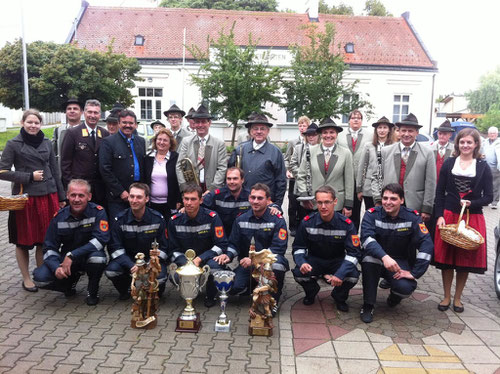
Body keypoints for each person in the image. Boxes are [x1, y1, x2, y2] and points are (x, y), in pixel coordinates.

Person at [0, 109, 66, 292]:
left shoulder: (46, 142)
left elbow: (55, 170)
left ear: (40, 124)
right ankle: (26, 278)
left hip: (48, 195)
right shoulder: (13, 143)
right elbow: (2, 171)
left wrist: (62, 197)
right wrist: (28, 176)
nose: (33, 125)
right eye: (29, 122)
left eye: (36, 123)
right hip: (26, 200)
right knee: (23, 240)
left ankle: (41, 274)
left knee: (44, 240)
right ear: (23, 123)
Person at [434, 128, 493, 313]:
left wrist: (471, 202)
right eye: (462, 142)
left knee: (464, 259)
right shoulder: (449, 163)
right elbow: (439, 192)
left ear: (476, 144)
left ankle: (458, 298)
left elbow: (489, 197)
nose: (465, 145)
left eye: (469, 142)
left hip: (472, 217)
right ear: (457, 144)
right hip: (450, 214)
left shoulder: (483, 166)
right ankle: (446, 296)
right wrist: (440, 215)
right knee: (447, 259)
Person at [359, 183, 433, 323]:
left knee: (405, 288)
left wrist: (415, 273)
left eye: (393, 199)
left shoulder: (412, 217)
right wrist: (384, 257)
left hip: (400, 261)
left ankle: (395, 296)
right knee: (368, 260)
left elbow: (427, 244)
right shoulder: (371, 215)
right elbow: (367, 240)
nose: (388, 202)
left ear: (402, 200)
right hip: (377, 258)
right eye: (385, 198)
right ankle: (368, 305)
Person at [33, 179, 109, 305]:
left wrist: (72, 255)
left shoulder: (98, 212)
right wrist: (55, 267)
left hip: (88, 256)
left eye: (81, 195)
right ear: (67, 195)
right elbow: (49, 247)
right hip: (67, 262)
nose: (76, 199)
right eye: (73, 195)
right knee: (41, 278)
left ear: (89, 197)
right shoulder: (59, 217)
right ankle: (69, 283)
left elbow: (101, 240)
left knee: (98, 259)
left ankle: (92, 290)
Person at [292, 186, 361, 311]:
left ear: (335, 202)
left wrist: (340, 273)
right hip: (315, 260)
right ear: (315, 203)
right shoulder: (307, 222)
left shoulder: (346, 225)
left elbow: (354, 253)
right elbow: (298, 247)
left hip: (337, 260)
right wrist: (302, 262)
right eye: (319, 202)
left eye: (327, 202)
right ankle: (312, 292)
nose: (323, 206)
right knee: (298, 273)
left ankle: (339, 296)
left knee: (352, 275)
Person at [226, 183, 289, 314]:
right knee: (233, 289)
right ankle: (256, 286)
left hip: (271, 263)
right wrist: (228, 256)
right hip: (247, 264)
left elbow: (278, 248)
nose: (255, 201)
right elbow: (233, 243)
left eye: (260, 198)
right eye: (252, 197)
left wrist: (255, 260)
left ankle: (273, 301)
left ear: (268, 200)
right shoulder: (241, 219)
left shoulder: (277, 220)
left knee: (278, 267)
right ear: (249, 198)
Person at [167, 183, 229, 307]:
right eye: (186, 199)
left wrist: (201, 258)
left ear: (201, 200)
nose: (189, 203)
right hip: (186, 261)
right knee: (174, 275)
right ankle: (190, 293)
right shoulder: (174, 221)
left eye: (193, 199)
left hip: (207, 259)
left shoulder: (212, 218)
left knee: (215, 267)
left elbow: (221, 244)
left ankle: (210, 296)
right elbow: (172, 249)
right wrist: (186, 263)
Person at [105, 183, 169, 299]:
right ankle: (127, 289)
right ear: (128, 197)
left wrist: (149, 264)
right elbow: (115, 248)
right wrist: (131, 265)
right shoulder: (119, 219)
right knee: (111, 271)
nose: (134, 200)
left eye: (139, 197)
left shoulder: (157, 219)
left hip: (150, 260)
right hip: (128, 260)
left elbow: (164, 248)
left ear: (147, 199)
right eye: (132, 196)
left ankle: (155, 291)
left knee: (161, 278)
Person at [372, 113, 436, 222]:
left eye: (410, 131)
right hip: (389, 204)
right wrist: (378, 199)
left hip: (415, 205)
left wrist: (427, 208)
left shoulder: (427, 153)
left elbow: (431, 182)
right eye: (403, 130)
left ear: (417, 132)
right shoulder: (385, 151)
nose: (406, 134)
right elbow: (376, 177)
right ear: (398, 131)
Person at [296, 117, 354, 217]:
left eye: (332, 132)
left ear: (336, 134)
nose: (328, 135)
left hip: (336, 204)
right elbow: (301, 176)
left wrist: (348, 204)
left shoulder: (346, 153)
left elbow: (349, 180)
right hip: (314, 203)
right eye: (325, 132)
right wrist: (304, 195)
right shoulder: (310, 151)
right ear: (320, 134)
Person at [228, 112, 287, 207]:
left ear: (268, 131)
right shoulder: (240, 150)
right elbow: (230, 175)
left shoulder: (275, 152)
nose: (259, 131)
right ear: (250, 131)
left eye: (262, 129)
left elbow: (281, 180)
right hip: (242, 201)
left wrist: (277, 204)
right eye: (255, 128)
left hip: (266, 203)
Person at [60, 99, 110, 206]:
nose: (92, 115)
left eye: (96, 112)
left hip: (99, 189)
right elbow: (65, 163)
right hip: (79, 190)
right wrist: (71, 186)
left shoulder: (105, 133)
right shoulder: (72, 133)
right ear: (84, 113)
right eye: (90, 112)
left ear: (100, 115)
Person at [99, 109, 146, 220]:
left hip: (138, 195)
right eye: (124, 122)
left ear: (135, 125)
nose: (127, 125)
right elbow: (105, 170)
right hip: (118, 197)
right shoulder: (108, 142)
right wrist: (121, 192)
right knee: (118, 228)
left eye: (131, 123)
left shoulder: (141, 141)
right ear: (119, 124)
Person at [176, 104, 227, 194]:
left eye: (203, 122)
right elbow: (179, 166)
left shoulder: (219, 144)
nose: (200, 125)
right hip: (191, 189)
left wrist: (212, 189)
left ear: (209, 123)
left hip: (211, 188)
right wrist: (184, 187)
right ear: (194, 124)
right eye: (197, 122)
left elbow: (222, 168)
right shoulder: (186, 142)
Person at [337, 109, 373, 229]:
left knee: (357, 210)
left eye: (358, 118)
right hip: (343, 178)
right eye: (353, 118)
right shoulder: (340, 136)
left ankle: (354, 237)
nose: (356, 120)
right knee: (345, 209)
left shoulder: (370, 136)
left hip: (361, 179)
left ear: (362, 121)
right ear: (348, 121)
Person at [356, 116, 395, 210]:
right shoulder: (369, 146)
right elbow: (362, 167)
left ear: (389, 130)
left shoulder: (394, 146)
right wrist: (359, 188)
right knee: (371, 215)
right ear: (376, 130)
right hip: (369, 189)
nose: (382, 130)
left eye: (385, 128)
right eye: (379, 128)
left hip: (388, 188)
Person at [144, 128, 182, 218]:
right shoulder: (148, 158)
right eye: (159, 139)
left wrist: (179, 200)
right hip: (151, 203)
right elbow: (144, 180)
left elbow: (179, 181)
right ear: (155, 141)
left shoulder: (176, 158)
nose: (161, 142)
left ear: (170, 143)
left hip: (170, 203)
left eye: (165, 140)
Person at [202, 167, 251, 236]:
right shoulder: (217, 195)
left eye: (235, 178)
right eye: (229, 179)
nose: (231, 182)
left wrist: (272, 208)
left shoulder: (250, 196)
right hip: (222, 235)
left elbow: (265, 205)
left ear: (242, 180)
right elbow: (198, 203)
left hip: (243, 236)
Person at [284, 116, 310, 236]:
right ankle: (292, 226)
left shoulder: (311, 141)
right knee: (292, 203)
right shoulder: (293, 142)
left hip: (306, 179)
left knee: (302, 203)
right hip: (294, 176)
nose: (302, 128)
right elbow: (286, 159)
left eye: (304, 125)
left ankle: (301, 225)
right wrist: (288, 170)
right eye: (300, 125)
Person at [289, 123, 320, 221]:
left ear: (318, 136)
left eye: (314, 135)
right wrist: (302, 174)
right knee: (302, 212)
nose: (311, 137)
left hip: (317, 184)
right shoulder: (299, 148)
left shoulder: (322, 149)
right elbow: (292, 164)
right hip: (301, 185)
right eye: (309, 135)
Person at [53, 98, 83, 172]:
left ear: (81, 112)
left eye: (75, 109)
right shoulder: (58, 131)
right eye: (69, 109)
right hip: (62, 174)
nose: (72, 111)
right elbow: (53, 153)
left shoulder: (87, 131)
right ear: (66, 112)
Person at [481, 126, 500, 209]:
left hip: (495, 167)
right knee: (483, 184)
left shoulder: (499, 142)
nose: (492, 135)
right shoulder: (484, 142)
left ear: (497, 134)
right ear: (488, 134)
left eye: (494, 133)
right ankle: (484, 200)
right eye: (490, 133)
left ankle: (494, 202)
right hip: (484, 166)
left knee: (495, 185)